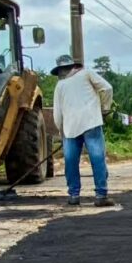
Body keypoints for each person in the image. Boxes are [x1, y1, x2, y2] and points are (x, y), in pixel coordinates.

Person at [52, 54, 115, 207]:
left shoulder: (60, 86)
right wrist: (105, 109)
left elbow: (57, 113)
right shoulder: (87, 74)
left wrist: (61, 131)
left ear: (61, 70)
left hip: (70, 128)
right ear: (73, 66)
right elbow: (107, 88)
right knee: (97, 157)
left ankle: (74, 195)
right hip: (91, 122)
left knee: (70, 161)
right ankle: (101, 195)